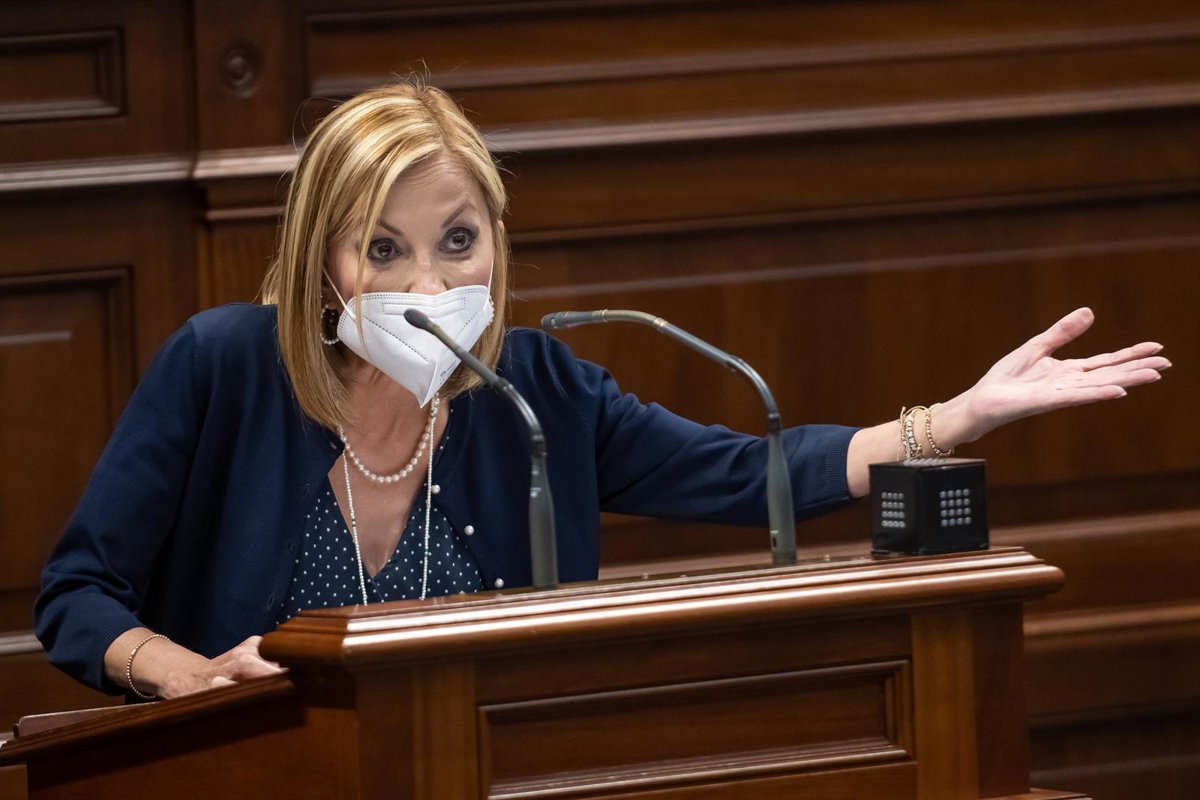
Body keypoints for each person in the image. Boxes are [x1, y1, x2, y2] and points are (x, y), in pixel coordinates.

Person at [34, 80, 1171, 701]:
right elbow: (80, 594)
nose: (429, 284)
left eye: (459, 240)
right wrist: (184, 675)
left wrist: (955, 419)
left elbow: (751, 473)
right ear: (324, 261)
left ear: (497, 241)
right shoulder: (225, 366)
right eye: (382, 249)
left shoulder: (538, 389)